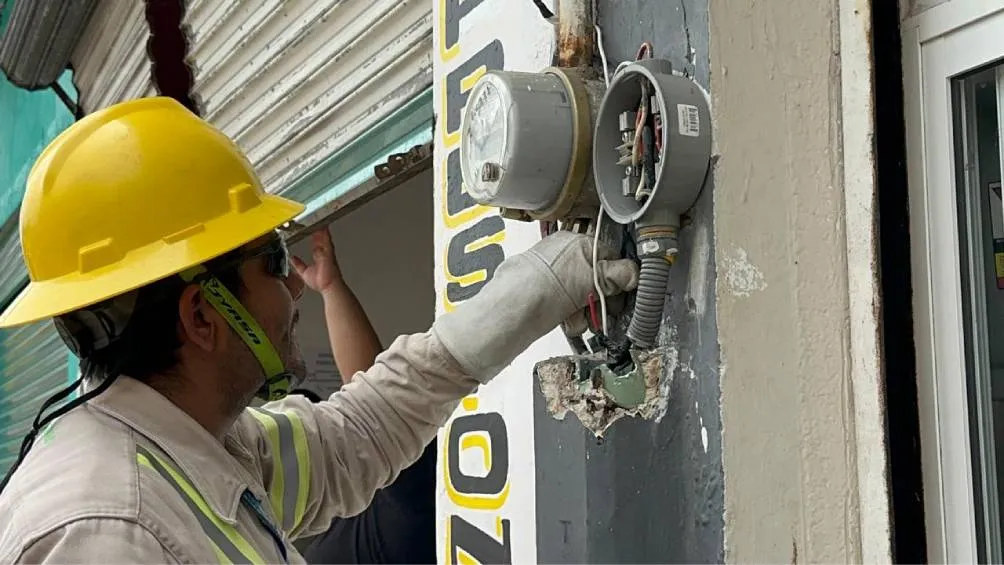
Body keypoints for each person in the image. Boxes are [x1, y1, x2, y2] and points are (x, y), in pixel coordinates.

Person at [0, 96, 637, 564]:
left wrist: (533, 289)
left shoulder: (202, 442)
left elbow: (353, 436)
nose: (295, 287)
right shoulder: (108, 534)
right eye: (275, 262)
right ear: (201, 316)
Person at [292, 229, 437, 564]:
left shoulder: (398, 512)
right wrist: (331, 289)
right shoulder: (375, 511)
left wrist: (332, 290)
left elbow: (377, 409)